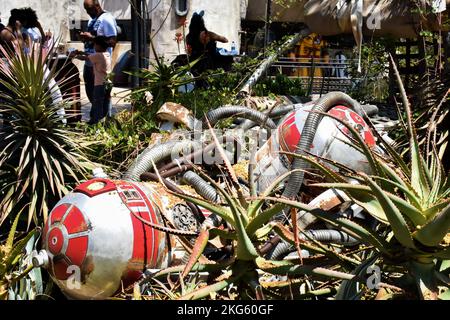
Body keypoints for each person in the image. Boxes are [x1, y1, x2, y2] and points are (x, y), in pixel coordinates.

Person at [80, 0, 117, 115]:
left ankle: (105, 119)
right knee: (92, 93)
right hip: (90, 62)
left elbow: (112, 42)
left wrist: (91, 38)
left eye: (89, 9)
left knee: (103, 95)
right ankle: (98, 116)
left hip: (100, 65)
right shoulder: (92, 20)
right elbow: (94, 38)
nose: (88, 12)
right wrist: (85, 39)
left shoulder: (107, 19)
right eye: (86, 10)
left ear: (97, 5)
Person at [70, 36, 112, 125]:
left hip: (100, 84)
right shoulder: (106, 54)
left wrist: (75, 56)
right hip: (108, 83)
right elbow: (89, 55)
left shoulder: (98, 55)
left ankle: (96, 122)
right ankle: (106, 121)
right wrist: (80, 52)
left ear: (99, 46)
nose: (94, 47)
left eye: (95, 45)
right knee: (105, 103)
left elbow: (86, 58)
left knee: (97, 104)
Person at [186, 10, 230, 79]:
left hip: (194, 64)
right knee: (228, 59)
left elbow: (189, 52)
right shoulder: (207, 34)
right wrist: (215, 38)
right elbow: (225, 40)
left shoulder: (188, 37)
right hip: (209, 63)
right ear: (201, 22)